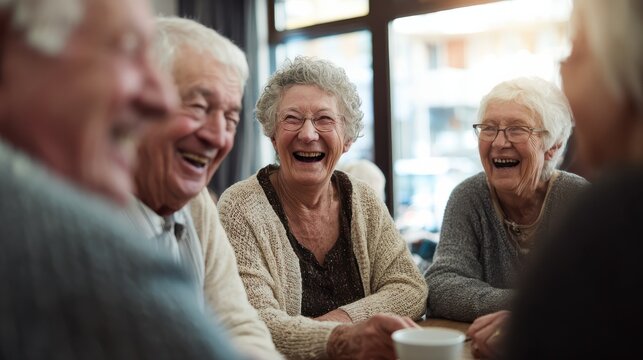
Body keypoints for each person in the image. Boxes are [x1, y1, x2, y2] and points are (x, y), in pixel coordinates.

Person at [0, 0, 243, 358]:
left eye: (231, 117)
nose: (161, 99)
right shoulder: (61, 236)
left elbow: (238, 324)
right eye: (126, 51)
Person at [215, 55, 427, 359]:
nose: (308, 134)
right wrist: (342, 339)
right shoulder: (240, 207)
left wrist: (339, 321)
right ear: (273, 135)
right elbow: (254, 321)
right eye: (292, 118)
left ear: (347, 139)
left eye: (324, 119)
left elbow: (410, 287)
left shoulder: (363, 200)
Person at [124, 16, 281, 360]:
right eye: (198, 106)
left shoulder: (196, 204)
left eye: (230, 118)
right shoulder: (76, 212)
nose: (218, 135)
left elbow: (237, 325)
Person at [499, 0, 643, 358]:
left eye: (576, 54)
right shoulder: (469, 194)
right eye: (488, 127)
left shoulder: (610, 209)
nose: (564, 76)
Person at [425, 77, 588, 323]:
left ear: (553, 146)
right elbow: (441, 288)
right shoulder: (468, 197)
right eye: (489, 128)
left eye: (517, 129)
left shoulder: (578, 200)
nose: (499, 143)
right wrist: (534, 306)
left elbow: (596, 297)